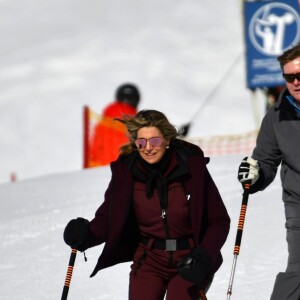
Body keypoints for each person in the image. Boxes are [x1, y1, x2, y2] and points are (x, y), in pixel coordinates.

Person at [64, 109, 230, 300]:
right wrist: (86, 234)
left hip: (190, 259)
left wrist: (203, 256)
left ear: (167, 140)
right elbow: (109, 217)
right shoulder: (127, 172)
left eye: (155, 141)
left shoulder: (190, 167)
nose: (148, 147)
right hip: (150, 259)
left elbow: (219, 220)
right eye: (141, 142)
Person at [237, 42, 300, 300]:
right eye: (289, 77)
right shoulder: (277, 116)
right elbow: (264, 161)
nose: (296, 82)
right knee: (297, 271)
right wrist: (254, 175)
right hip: (298, 202)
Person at [89, 83, 140, 167]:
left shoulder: (102, 123)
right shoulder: (139, 124)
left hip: (102, 173)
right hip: (129, 171)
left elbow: (94, 153)